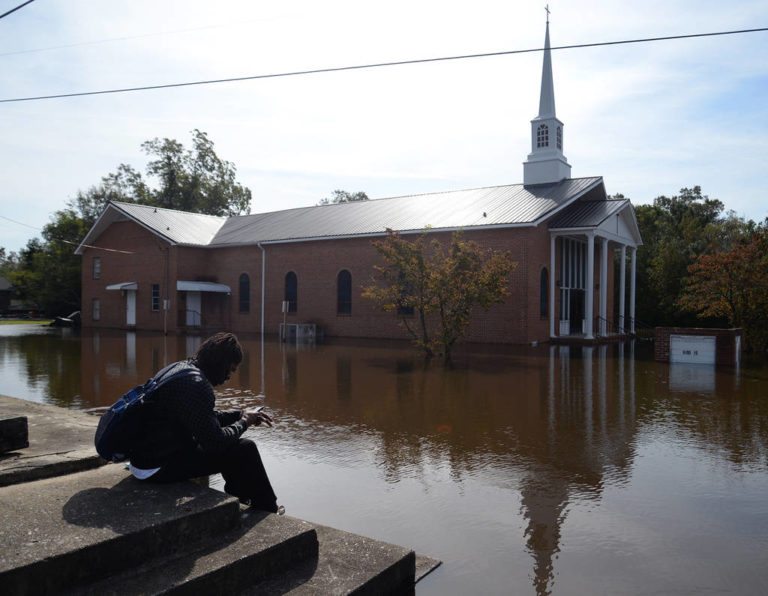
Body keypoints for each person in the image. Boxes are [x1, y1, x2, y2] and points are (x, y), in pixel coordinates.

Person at [127, 332, 280, 513]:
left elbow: (203, 418)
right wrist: (245, 422)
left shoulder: (181, 369)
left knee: (234, 446)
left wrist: (239, 414)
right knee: (244, 449)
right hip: (156, 467)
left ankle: (241, 498)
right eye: (230, 370)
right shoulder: (198, 386)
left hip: (143, 459)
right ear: (220, 364)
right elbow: (215, 442)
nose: (229, 377)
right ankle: (268, 507)